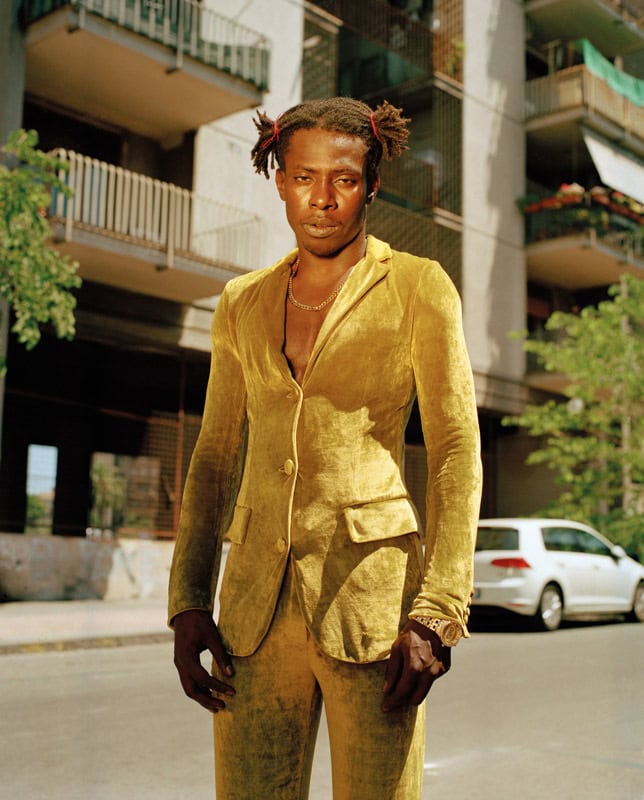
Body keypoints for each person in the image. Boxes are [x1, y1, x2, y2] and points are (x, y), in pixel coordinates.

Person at [168, 96, 482, 800]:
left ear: (371, 185)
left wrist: (438, 610)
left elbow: (456, 450)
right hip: (251, 612)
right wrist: (188, 600)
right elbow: (215, 458)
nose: (322, 199)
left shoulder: (418, 286)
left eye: (343, 179)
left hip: (373, 611)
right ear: (279, 179)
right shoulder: (240, 301)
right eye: (305, 177)